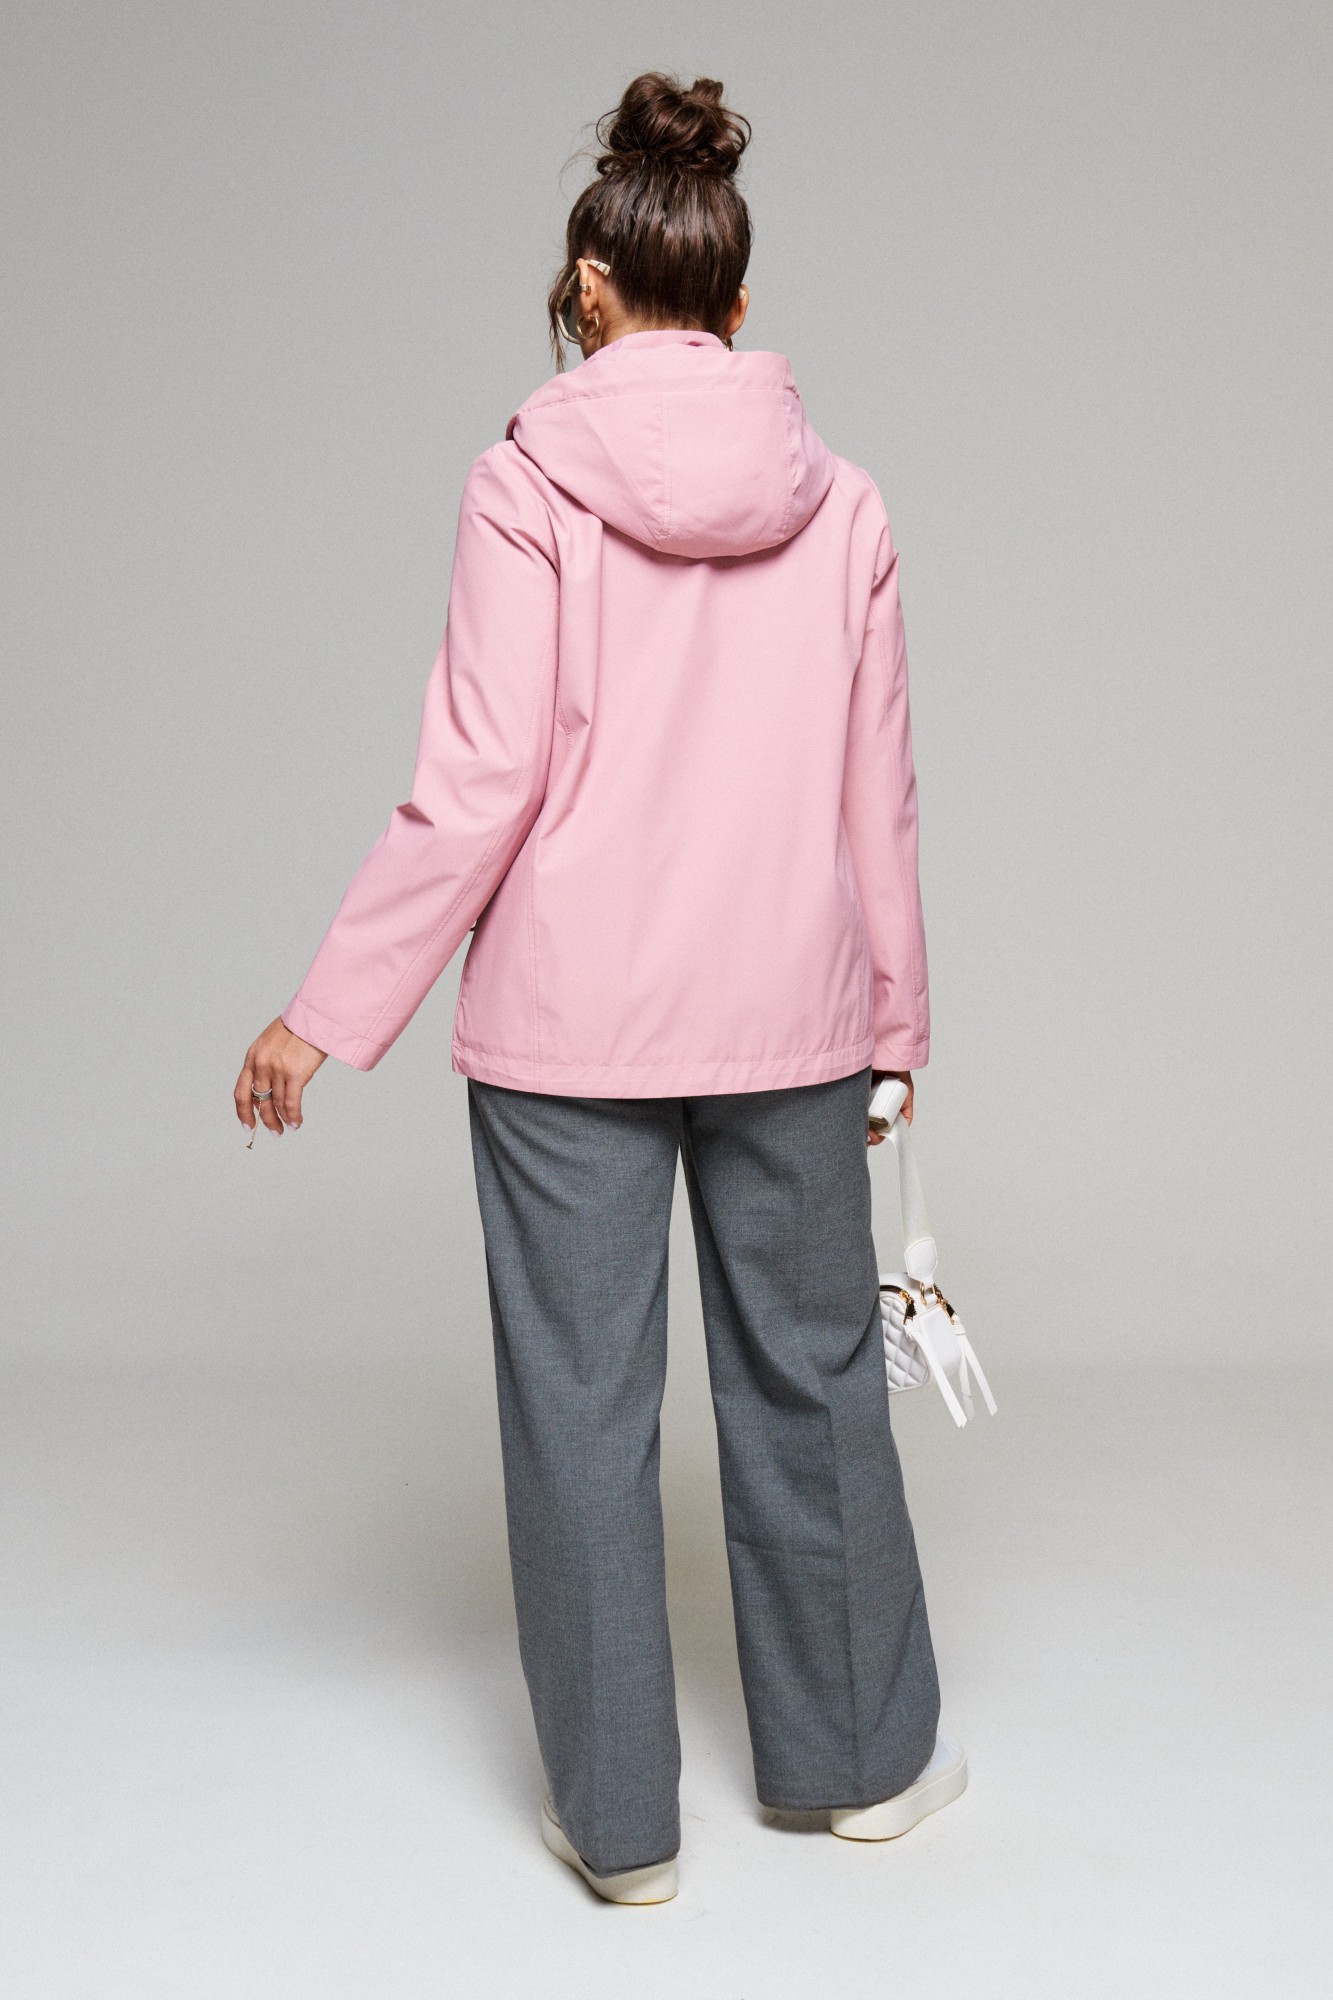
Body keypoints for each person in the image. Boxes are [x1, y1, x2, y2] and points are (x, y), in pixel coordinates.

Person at [232, 70, 967, 1906]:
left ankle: (623, 1832)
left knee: (578, 1406)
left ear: (587, 285)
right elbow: (872, 793)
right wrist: (894, 1027)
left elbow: (477, 784)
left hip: (567, 1028)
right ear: (736, 302)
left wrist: (327, 1010)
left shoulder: (524, 481)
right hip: (794, 1013)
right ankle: (862, 1770)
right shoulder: (844, 502)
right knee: (812, 1384)